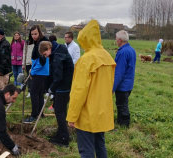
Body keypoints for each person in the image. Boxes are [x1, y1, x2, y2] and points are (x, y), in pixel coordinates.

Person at [66, 20, 116, 158]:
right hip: (102, 112)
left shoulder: (86, 60)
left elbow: (79, 91)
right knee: (100, 145)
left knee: (86, 150)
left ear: (85, 39)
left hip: (87, 114)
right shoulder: (107, 56)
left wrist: (72, 116)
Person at [39, 40, 74, 147]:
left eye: (45, 54)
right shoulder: (57, 52)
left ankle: (64, 138)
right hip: (62, 86)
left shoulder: (58, 56)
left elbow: (58, 76)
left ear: (49, 49)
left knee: (60, 112)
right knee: (60, 111)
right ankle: (60, 134)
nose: (45, 57)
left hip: (63, 86)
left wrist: (51, 89)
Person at [24, 25, 49, 123]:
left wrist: (33, 72)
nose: (34, 36)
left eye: (36, 34)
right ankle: (40, 114)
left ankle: (34, 116)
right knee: (39, 93)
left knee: (34, 93)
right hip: (41, 72)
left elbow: (42, 60)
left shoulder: (42, 43)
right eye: (32, 34)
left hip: (40, 72)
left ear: (40, 33)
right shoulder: (38, 42)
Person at [113, 30, 136, 128]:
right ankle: (120, 121)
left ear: (120, 40)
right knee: (121, 103)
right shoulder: (131, 50)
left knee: (122, 105)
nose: (116, 41)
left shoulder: (122, 52)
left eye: (116, 39)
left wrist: (113, 87)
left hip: (123, 85)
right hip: (129, 83)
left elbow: (119, 72)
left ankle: (124, 125)